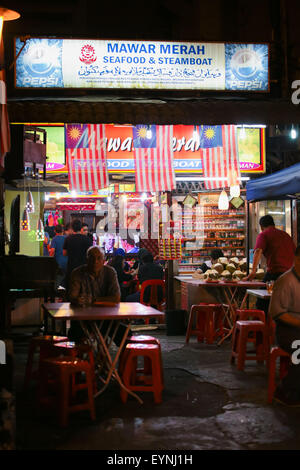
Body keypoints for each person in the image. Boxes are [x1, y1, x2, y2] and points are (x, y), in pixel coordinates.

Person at [68, 246, 129, 346]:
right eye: (91, 258)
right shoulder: (77, 273)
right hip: (83, 320)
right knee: (74, 334)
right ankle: (81, 361)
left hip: (106, 319)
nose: (95, 261)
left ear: (104, 260)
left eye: (99, 258)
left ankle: (124, 361)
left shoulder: (110, 272)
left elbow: (116, 298)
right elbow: (73, 297)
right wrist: (77, 300)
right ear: (86, 259)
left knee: (125, 334)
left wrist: (92, 300)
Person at [245, 214, 296, 315]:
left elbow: (258, 251)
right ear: (273, 224)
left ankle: (262, 328)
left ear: (261, 227)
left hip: (276, 274)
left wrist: (253, 271)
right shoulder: (285, 235)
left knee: (262, 302)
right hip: (291, 274)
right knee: (284, 303)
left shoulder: (264, 234)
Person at [269, 245, 300, 406]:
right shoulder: (285, 281)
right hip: (288, 332)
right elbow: (276, 313)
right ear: (296, 259)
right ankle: (285, 391)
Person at [63, 219, 93, 293]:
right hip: (83, 268)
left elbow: (64, 253)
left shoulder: (68, 239)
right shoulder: (87, 239)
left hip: (71, 267)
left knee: (71, 288)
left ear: (72, 228)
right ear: (81, 228)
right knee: (83, 289)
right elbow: (90, 254)